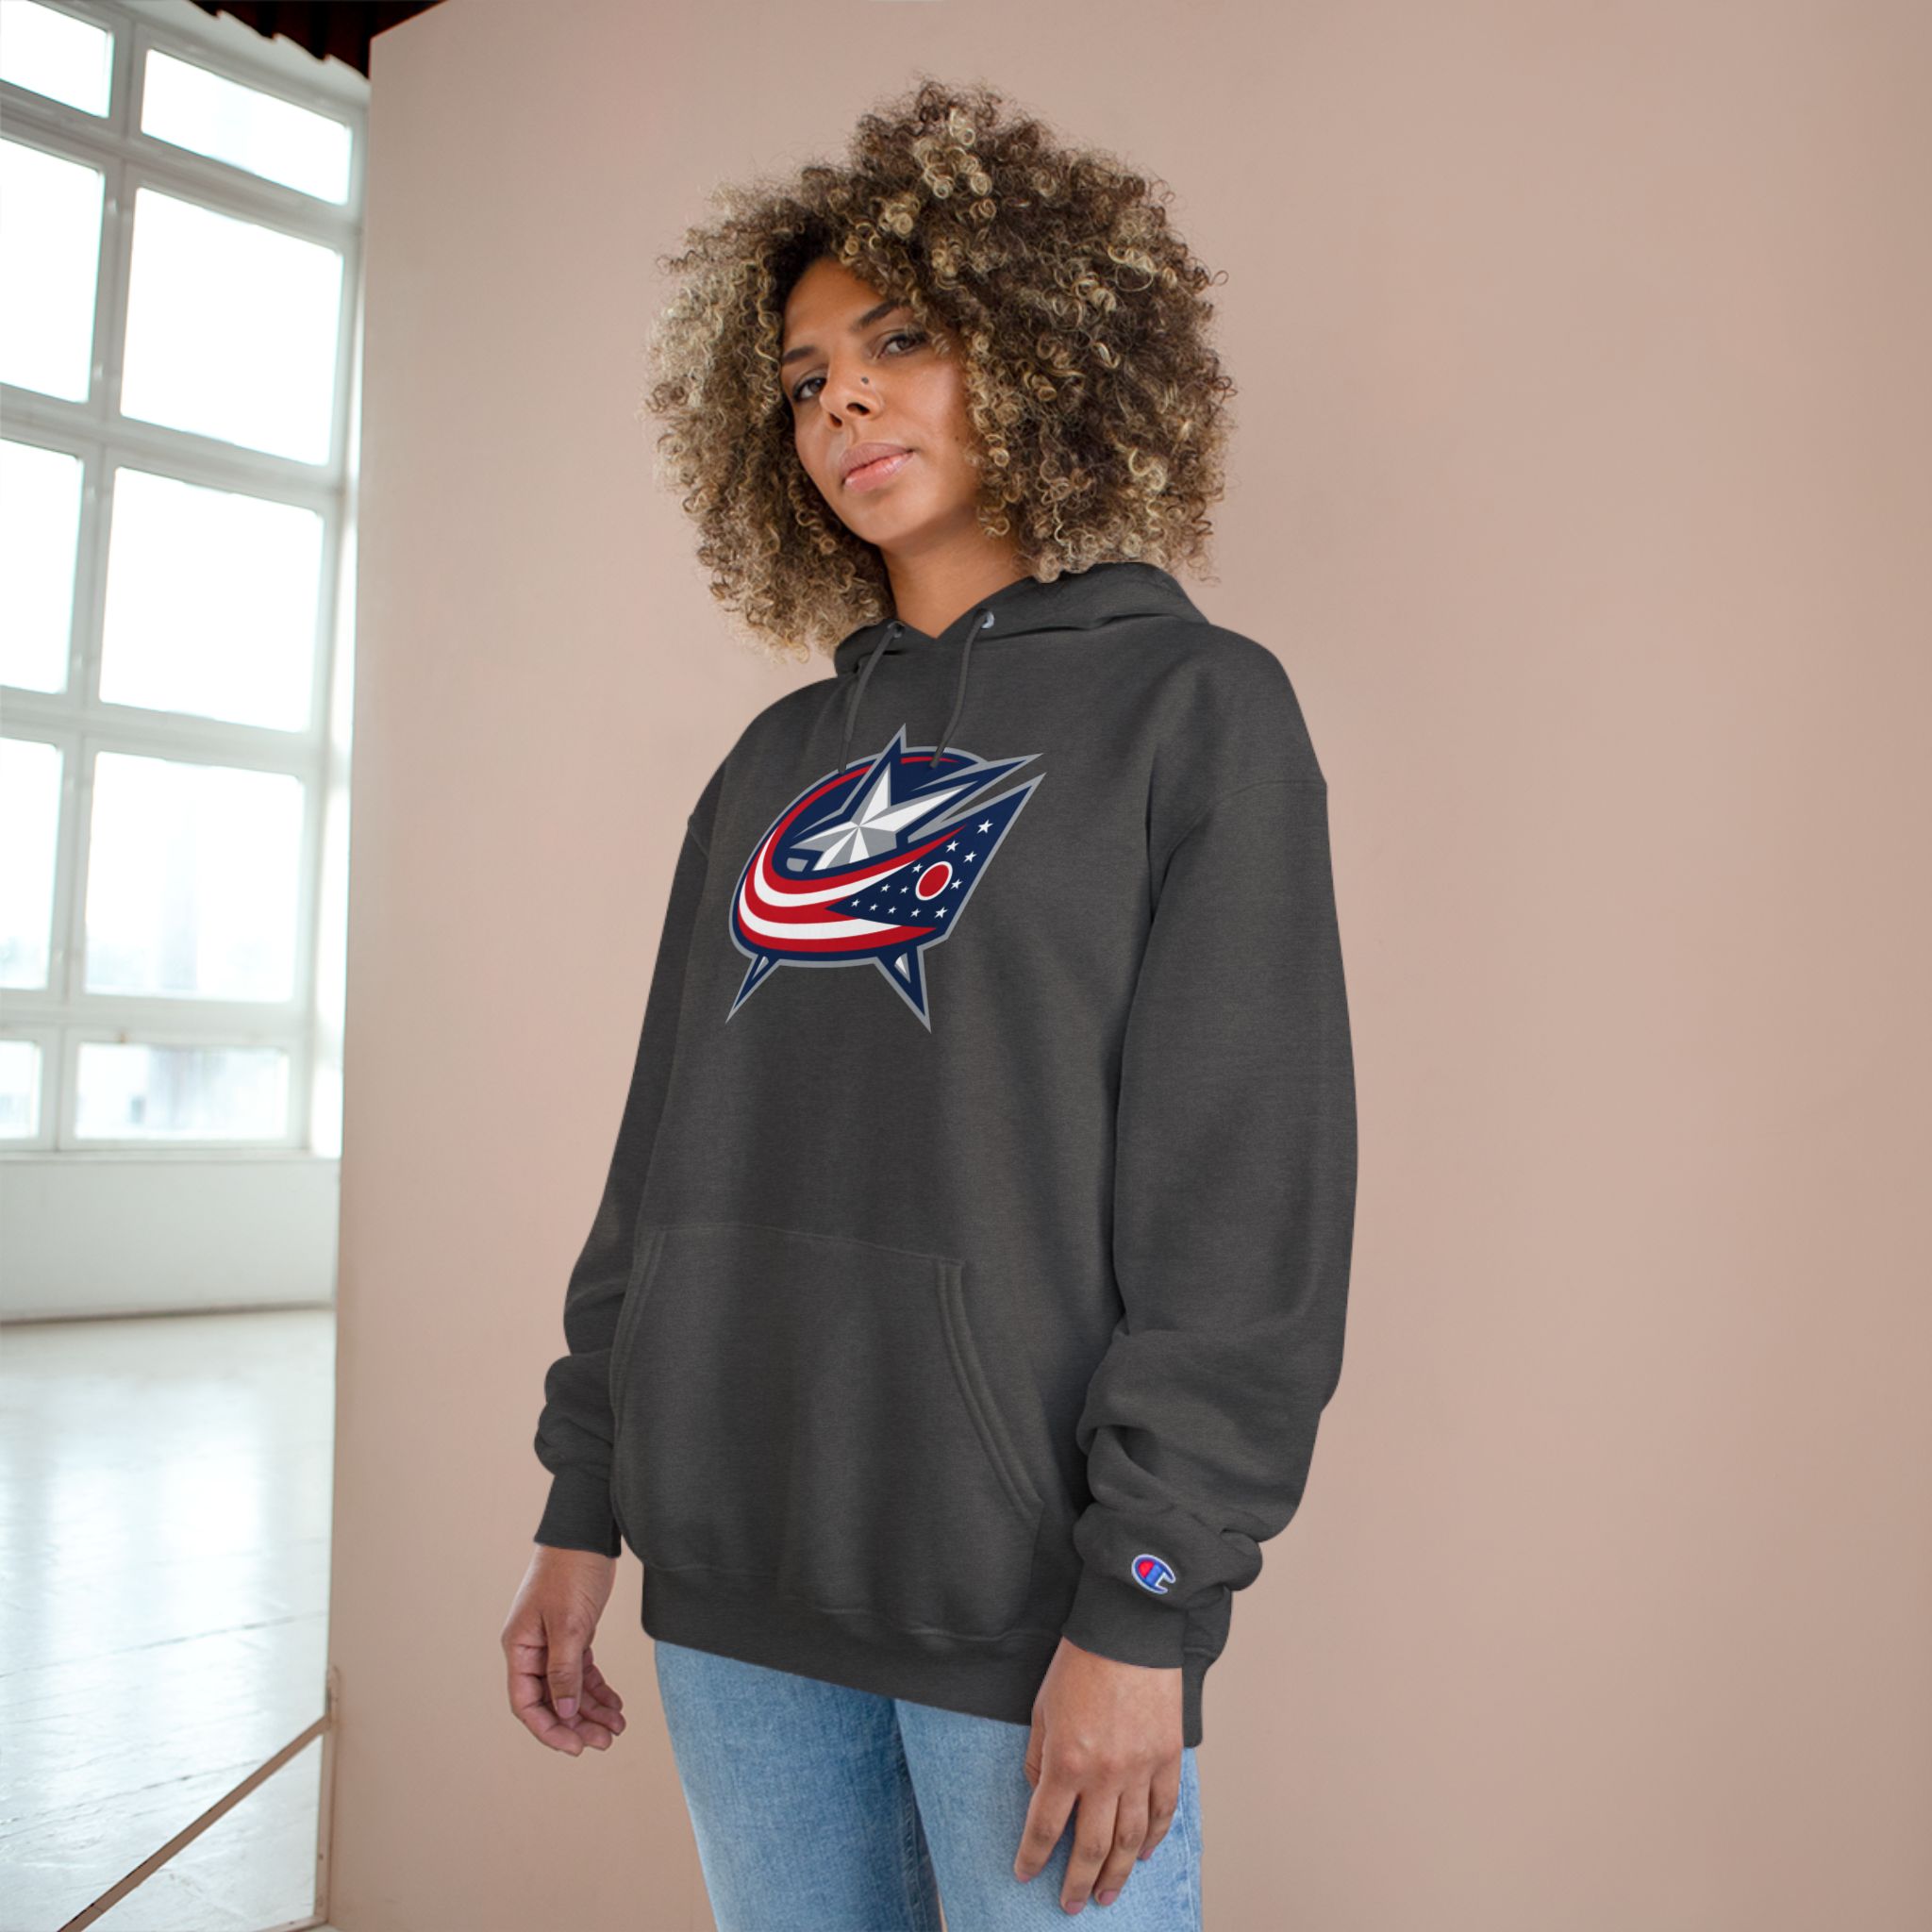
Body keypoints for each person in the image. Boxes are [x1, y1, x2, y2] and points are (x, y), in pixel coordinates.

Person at [501, 75, 1358, 1928]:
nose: (844, 403)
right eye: (805, 376)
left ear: (1040, 350)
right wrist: (585, 1502)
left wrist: (1146, 1600)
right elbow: (662, 1164)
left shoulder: (1195, 712)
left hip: (1023, 1611)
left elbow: (1243, 1208)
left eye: (898, 342)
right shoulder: (769, 763)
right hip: (730, 1592)